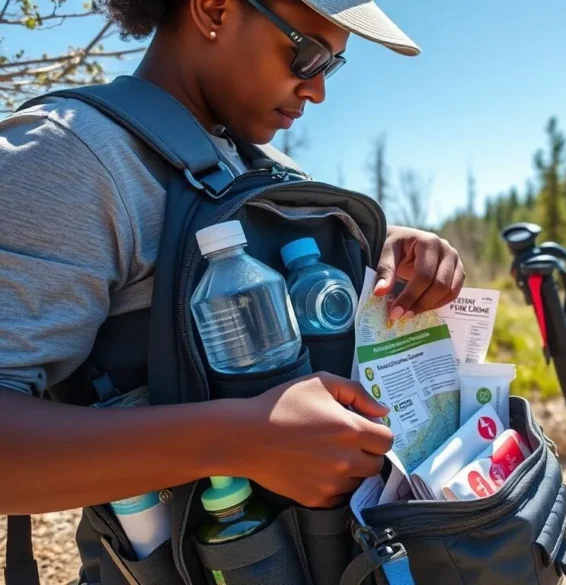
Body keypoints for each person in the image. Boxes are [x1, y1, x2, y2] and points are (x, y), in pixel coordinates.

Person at [0, 0, 464, 522]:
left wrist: (379, 246)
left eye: (332, 65)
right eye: (308, 55)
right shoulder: (67, 156)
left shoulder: (271, 168)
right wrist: (237, 440)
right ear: (214, 10)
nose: (317, 90)